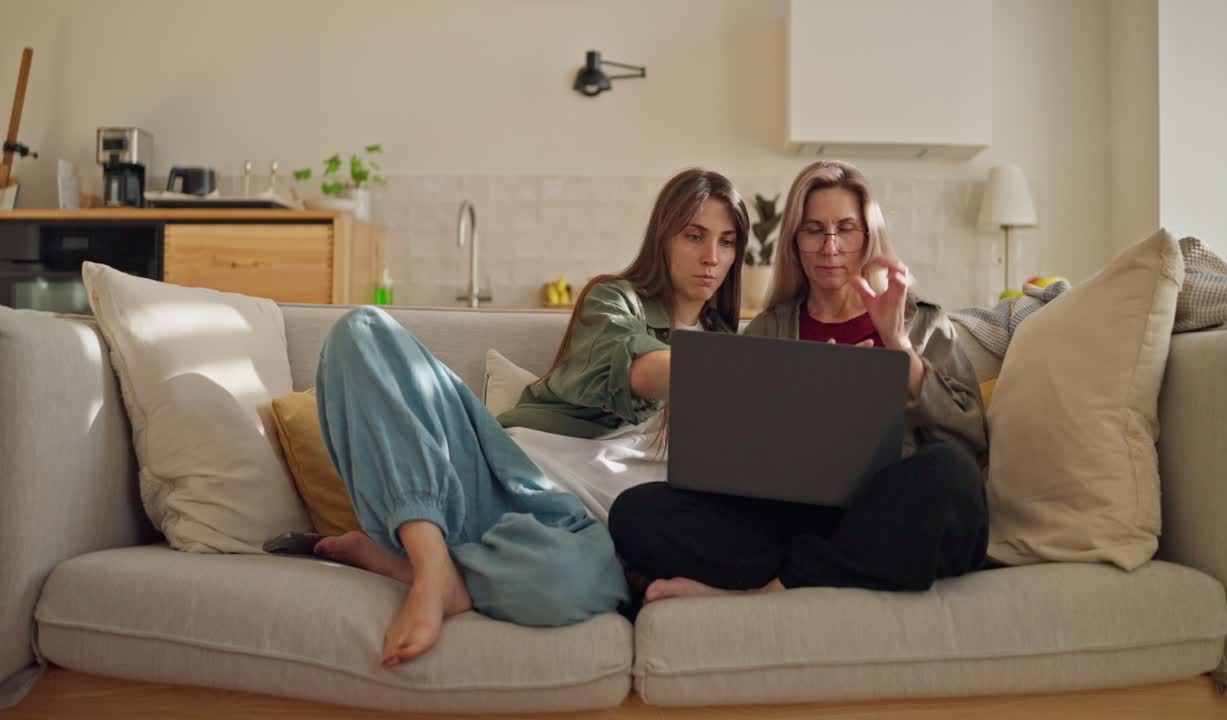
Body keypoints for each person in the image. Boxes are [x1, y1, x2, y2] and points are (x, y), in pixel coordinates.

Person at [312, 168, 750, 666]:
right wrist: (736, 377)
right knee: (362, 331)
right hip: (494, 469)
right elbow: (639, 370)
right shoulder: (615, 299)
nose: (711, 257)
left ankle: (416, 567)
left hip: (572, 530)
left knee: (571, 586)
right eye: (695, 236)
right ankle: (432, 568)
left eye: (727, 241)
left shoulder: (735, 356)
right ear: (664, 237)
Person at [608, 160, 990, 603]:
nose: (830, 247)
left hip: (888, 511)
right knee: (635, 513)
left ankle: (768, 588)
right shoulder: (768, 329)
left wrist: (897, 344)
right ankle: (822, 569)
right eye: (814, 230)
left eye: (845, 229)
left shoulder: (922, 323)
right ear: (795, 241)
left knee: (951, 475)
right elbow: (730, 455)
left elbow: (970, 438)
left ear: (868, 237)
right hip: (793, 518)